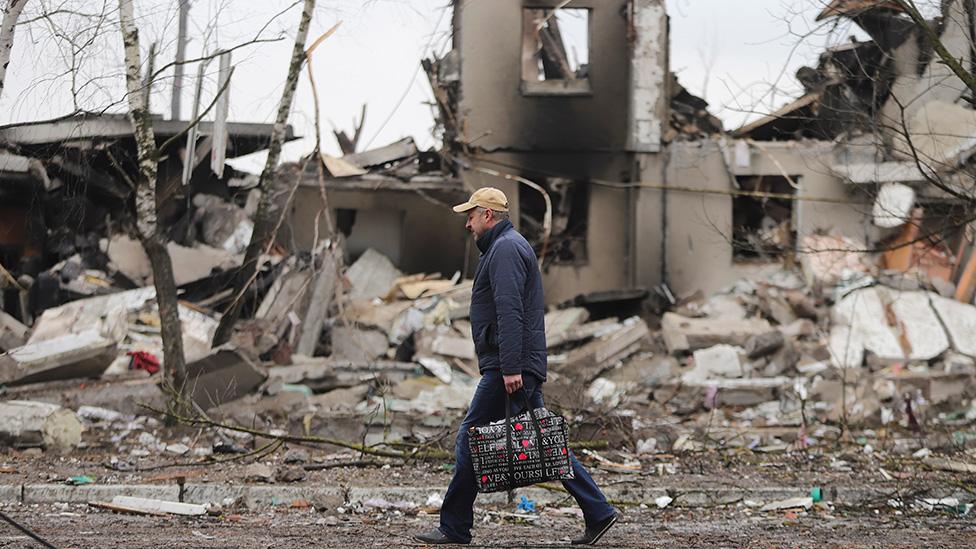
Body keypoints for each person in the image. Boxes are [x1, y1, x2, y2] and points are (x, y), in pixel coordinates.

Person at [415, 187, 619, 546]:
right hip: (513, 365)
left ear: (488, 215)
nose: (468, 224)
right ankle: (598, 511)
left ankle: (454, 526)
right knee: (544, 441)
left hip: (509, 368)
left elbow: (510, 312)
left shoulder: (506, 249)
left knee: (469, 439)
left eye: (472, 215)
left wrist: (510, 368)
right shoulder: (504, 247)